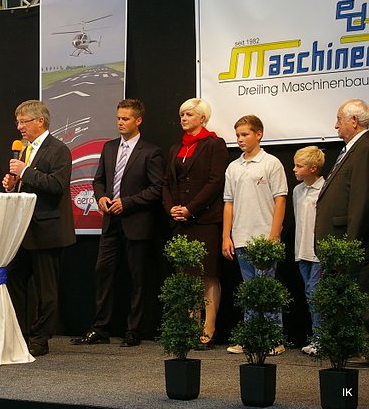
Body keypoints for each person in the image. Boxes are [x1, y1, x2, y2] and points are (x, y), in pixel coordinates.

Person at [70, 98, 164, 348]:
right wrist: (101, 197)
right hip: (110, 222)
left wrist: (128, 202)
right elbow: (98, 179)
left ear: (138, 120)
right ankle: (100, 328)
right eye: (118, 118)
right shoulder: (110, 147)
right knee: (103, 273)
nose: (120, 123)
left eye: (125, 119)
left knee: (137, 278)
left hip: (137, 223)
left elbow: (157, 188)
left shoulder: (150, 151)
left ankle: (134, 330)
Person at [2, 100, 76, 357]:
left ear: (40, 121)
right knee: (13, 278)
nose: (19, 127)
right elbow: (28, 182)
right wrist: (13, 184)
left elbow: (56, 185)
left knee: (46, 290)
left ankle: (41, 338)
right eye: (18, 122)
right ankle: (20, 332)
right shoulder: (25, 149)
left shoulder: (59, 150)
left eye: (24, 121)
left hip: (48, 229)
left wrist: (25, 172)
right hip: (23, 228)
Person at [161, 98, 228, 349]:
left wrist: (191, 208)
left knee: (207, 274)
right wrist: (171, 208)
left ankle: (209, 327)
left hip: (204, 219)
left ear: (202, 118)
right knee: (186, 275)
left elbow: (215, 182)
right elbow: (166, 183)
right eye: (182, 114)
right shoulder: (175, 148)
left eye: (189, 114)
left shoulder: (214, 144)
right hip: (180, 219)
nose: (184, 118)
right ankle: (191, 324)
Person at [222, 115, 288, 355]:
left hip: (264, 237)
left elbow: (280, 200)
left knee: (266, 288)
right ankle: (250, 337)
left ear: (258, 134)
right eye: (237, 135)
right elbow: (228, 203)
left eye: (245, 134)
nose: (240, 139)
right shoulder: (234, 167)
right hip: (241, 236)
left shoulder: (271, 163)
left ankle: (274, 339)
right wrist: (226, 236)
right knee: (249, 290)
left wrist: (274, 234)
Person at [315, 98, 369, 365]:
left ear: (353, 121)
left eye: (339, 119)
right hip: (339, 244)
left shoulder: (365, 148)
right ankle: (351, 348)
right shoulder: (352, 148)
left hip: (349, 244)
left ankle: (363, 349)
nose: (335, 125)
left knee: (360, 297)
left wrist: (351, 244)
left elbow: (361, 198)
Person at [292, 146, 325, 356]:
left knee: (316, 294)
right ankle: (317, 337)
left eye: (299, 166)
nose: (294, 170)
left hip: (317, 252)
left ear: (313, 168)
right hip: (302, 250)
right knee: (309, 293)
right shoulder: (297, 190)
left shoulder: (324, 188)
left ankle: (321, 339)